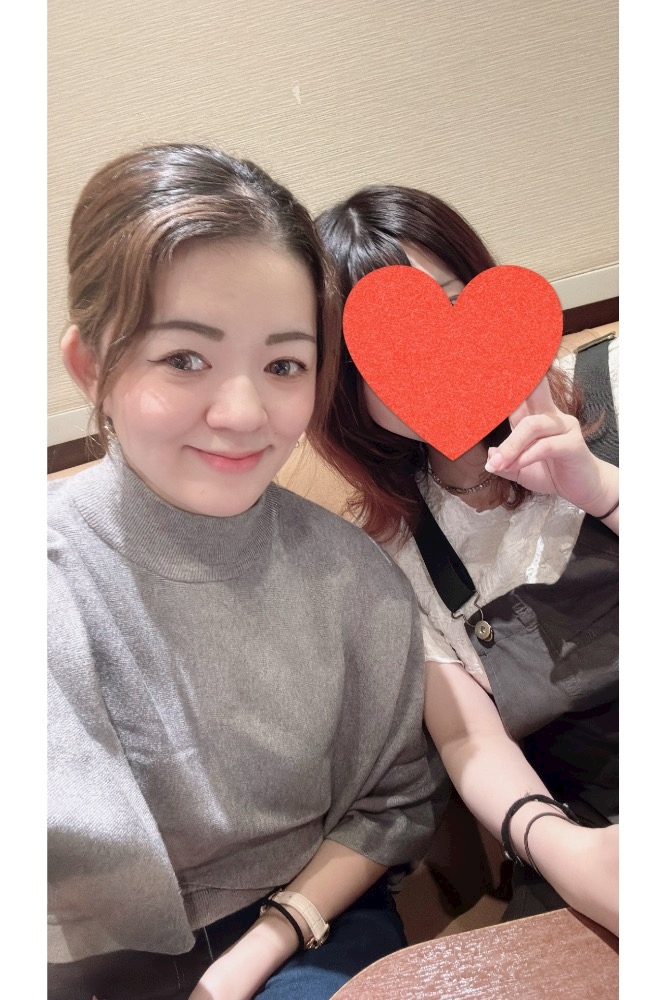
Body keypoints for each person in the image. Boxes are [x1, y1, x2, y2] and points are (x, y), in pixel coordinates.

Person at [47, 147, 446, 1000]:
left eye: (283, 365)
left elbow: (393, 803)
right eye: (184, 359)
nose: (241, 414)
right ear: (92, 369)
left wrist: (264, 947)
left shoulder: (353, 578)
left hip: (304, 924)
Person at [312, 184, 619, 936]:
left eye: (451, 307)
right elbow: (466, 737)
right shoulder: (389, 554)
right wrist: (569, 855)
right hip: (593, 825)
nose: (434, 363)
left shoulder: (624, 383)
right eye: (387, 350)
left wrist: (603, 490)